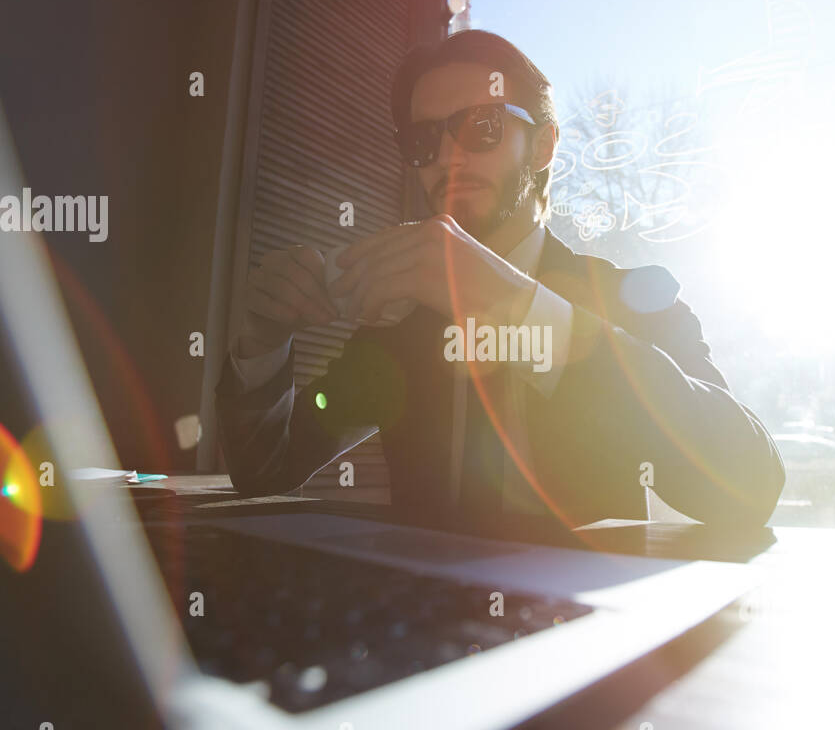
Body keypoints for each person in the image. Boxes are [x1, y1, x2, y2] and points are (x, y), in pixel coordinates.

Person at [215, 29, 784, 534]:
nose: (446, 158)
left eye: (480, 126)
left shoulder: (634, 299)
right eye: (422, 141)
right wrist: (263, 344)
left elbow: (750, 483)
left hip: (587, 630)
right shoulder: (403, 325)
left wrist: (512, 303)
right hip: (419, 629)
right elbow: (267, 471)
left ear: (542, 146)